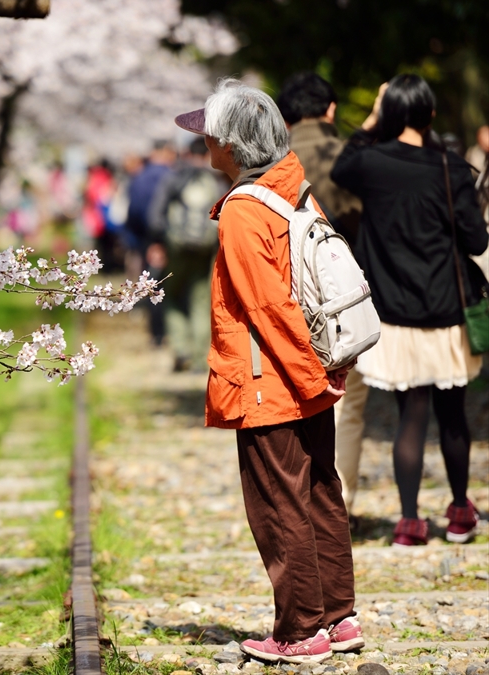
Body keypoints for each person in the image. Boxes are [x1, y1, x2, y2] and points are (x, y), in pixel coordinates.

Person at [175, 78, 360, 665]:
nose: (204, 143)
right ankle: (339, 617)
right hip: (310, 372)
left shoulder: (242, 211)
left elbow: (268, 307)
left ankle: (301, 631)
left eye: (210, 134)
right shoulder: (295, 190)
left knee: (278, 504)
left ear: (231, 143)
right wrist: (326, 374)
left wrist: (308, 377)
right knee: (320, 491)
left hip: (270, 380)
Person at [331, 75, 488, 546]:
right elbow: (478, 240)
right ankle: (460, 512)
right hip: (446, 310)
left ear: (390, 114)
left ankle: (408, 521)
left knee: (411, 415)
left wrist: (373, 119)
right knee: (454, 415)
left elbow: (342, 168)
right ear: (432, 115)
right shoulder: (451, 167)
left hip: (394, 313)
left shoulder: (371, 164)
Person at [276, 72, 368, 526]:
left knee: (297, 396)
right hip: (342, 291)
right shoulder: (347, 155)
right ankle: (338, 500)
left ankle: (301, 500)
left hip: (288, 293)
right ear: (331, 110)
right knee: (347, 400)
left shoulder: (276, 159)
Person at [147, 137, 222, 372]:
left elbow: (155, 215)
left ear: (187, 153)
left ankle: (181, 350)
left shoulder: (175, 177)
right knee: (201, 299)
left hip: (176, 247)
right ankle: (201, 357)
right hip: (205, 248)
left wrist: (158, 242)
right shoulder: (215, 181)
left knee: (173, 296)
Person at [125, 141, 176, 346]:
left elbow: (133, 210)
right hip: (174, 238)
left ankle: (157, 333)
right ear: (166, 152)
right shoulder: (174, 175)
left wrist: (136, 238)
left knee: (154, 284)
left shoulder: (140, 178)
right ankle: (174, 331)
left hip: (148, 239)